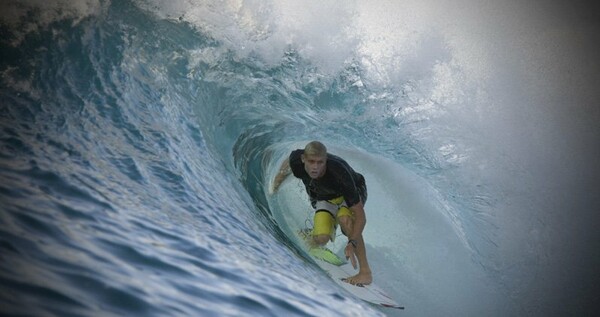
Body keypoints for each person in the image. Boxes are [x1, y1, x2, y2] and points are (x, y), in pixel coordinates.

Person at [272, 141, 372, 285]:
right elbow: (288, 161)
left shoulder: (339, 172)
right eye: (311, 162)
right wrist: (276, 183)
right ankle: (311, 235)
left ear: (326, 161)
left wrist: (352, 242)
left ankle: (365, 273)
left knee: (346, 221)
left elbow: (361, 216)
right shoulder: (296, 161)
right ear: (303, 159)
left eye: (320, 162)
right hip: (325, 196)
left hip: (351, 192)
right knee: (322, 239)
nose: (315, 167)